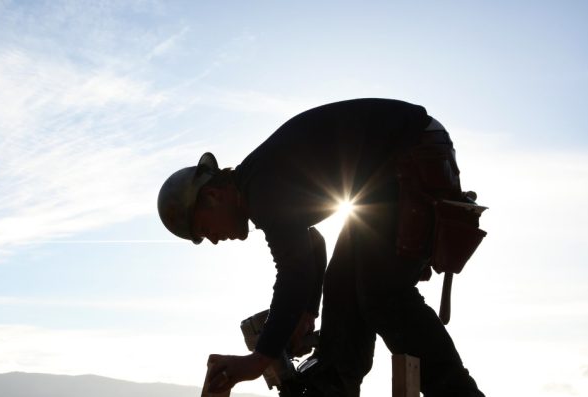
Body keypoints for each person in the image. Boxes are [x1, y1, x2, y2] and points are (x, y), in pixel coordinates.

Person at [157, 98, 485, 397]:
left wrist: (259, 360)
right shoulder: (259, 183)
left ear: (212, 197)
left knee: (381, 292)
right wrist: (307, 312)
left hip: (412, 153)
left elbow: (294, 272)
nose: (213, 239)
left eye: (204, 229)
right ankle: (330, 385)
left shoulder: (262, 188)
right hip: (385, 182)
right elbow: (312, 242)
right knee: (343, 285)